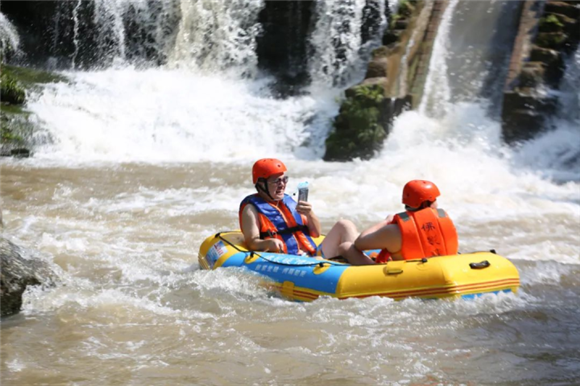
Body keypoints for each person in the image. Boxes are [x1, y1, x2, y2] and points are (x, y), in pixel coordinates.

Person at [239, 158, 358, 259]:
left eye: (284, 179)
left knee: (345, 224)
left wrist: (310, 214)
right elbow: (252, 243)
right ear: (261, 184)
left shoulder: (289, 202)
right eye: (276, 181)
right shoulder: (251, 209)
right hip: (290, 261)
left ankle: (360, 263)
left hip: (312, 254)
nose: (282, 184)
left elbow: (316, 234)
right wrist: (269, 243)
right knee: (317, 259)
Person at [342, 180, 459, 265]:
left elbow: (359, 243)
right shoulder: (445, 220)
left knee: (346, 246)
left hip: (408, 277)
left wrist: (386, 221)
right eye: (435, 200)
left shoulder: (393, 230)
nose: (437, 204)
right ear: (427, 203)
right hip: (444, 269)